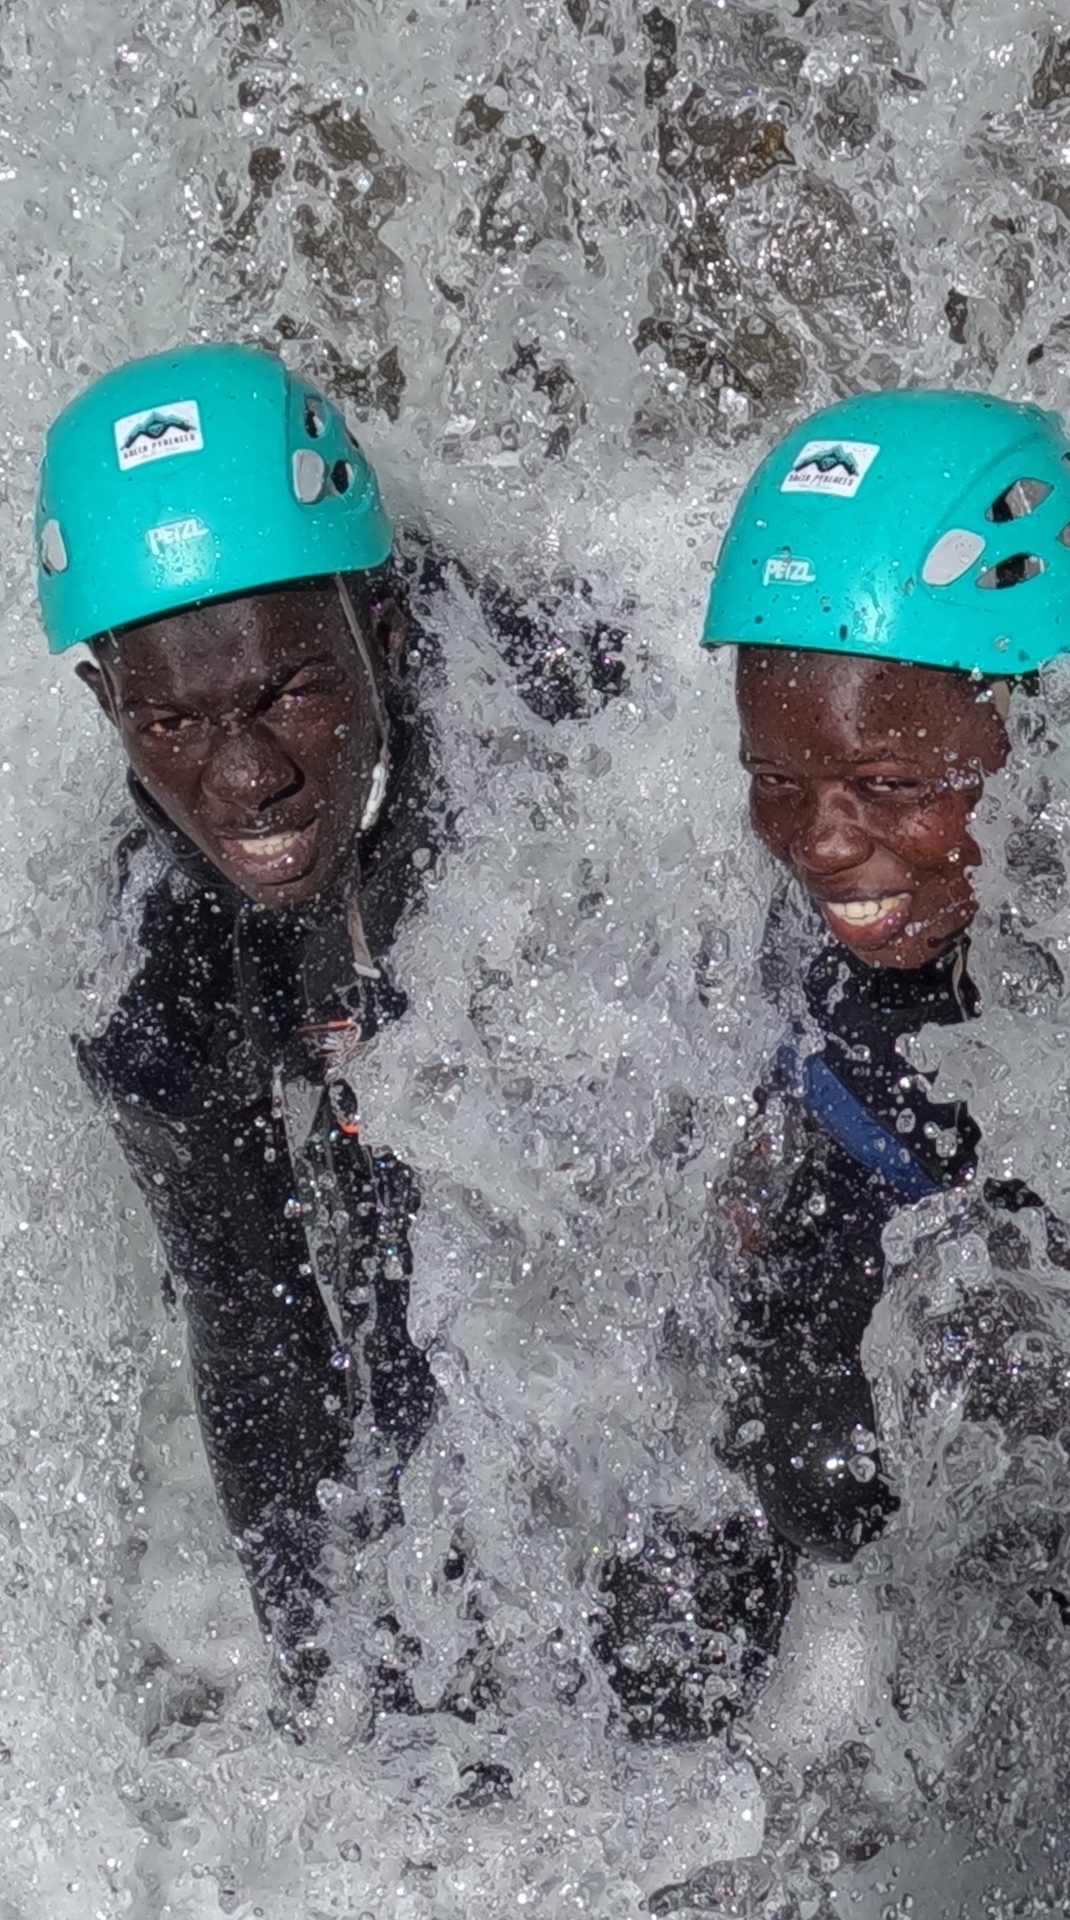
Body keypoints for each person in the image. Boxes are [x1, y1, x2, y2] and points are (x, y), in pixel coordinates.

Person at [43, 344, 625, 1717]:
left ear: (388, 626)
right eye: (174, 721)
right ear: (108, 709)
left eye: (290, 694)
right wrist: (345, 1713)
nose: (245, 780)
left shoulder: (574, 742)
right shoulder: (146, 954)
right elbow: (250, 1328)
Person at [700, 390, 1070, 1563]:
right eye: (777, 781)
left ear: (1040, 725)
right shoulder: (784, 968)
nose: (824, 844)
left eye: (890, 785)